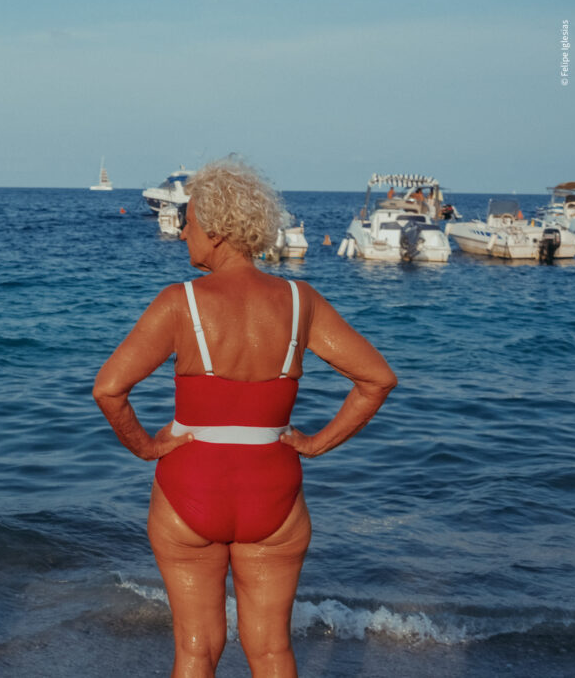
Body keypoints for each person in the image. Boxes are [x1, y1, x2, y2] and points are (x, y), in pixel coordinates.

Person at [93, 157, 397, 677]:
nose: (184, 233)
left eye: (188, 223)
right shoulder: (301, 301)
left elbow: (109, 388)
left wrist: (146, 447)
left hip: (190, 486)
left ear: (213, 230)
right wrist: (317, 443)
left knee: (195, 650)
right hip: (273, 489)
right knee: (272, 650)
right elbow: (377, 379)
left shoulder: (179, 303)